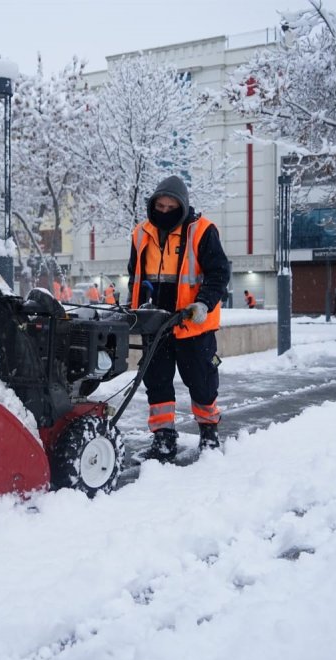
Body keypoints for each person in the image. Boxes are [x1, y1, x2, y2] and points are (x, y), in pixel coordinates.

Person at [128, 175, 230, 460]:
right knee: (157, 382)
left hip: (192, 324)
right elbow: (135, 275)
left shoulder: (202, 231)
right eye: (159, 207)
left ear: (182, 206)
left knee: (202, 381)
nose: (164, 212)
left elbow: (219, 273)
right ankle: (163, 439)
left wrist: (203, 303)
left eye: (170, 207)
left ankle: (209, 434)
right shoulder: (141, 233)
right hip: (155, 325)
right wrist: (134, 307)